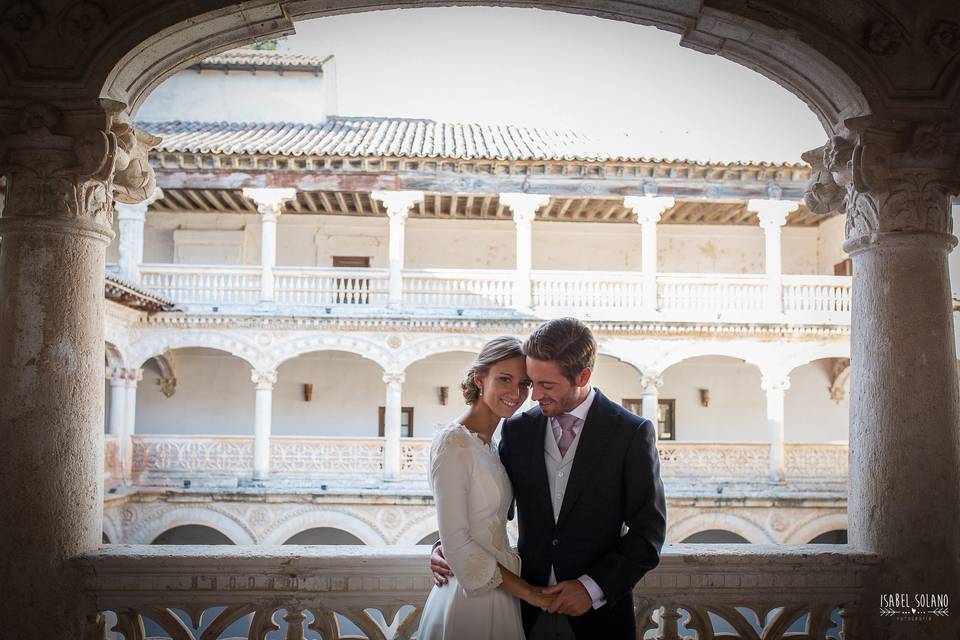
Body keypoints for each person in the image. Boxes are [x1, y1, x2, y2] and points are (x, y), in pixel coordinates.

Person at [431, 317, 667, 640]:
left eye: (545, 385)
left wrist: (591, 588)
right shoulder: (516, 431)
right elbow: (485, 506)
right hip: (523, 613)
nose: (531, 396)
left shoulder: (630, 433)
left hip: (599, 620)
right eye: (532, 382)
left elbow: (648, 534)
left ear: (583, 376)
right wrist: (446, 546)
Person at [417, 336, 556, 640]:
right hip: (469, 598)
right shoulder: (452, 442)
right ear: (480, 378)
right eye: (505, 379)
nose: (516, 393)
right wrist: (533, 595)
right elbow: (456, 541)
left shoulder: (491, 444)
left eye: (524, 384)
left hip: (501, 591)